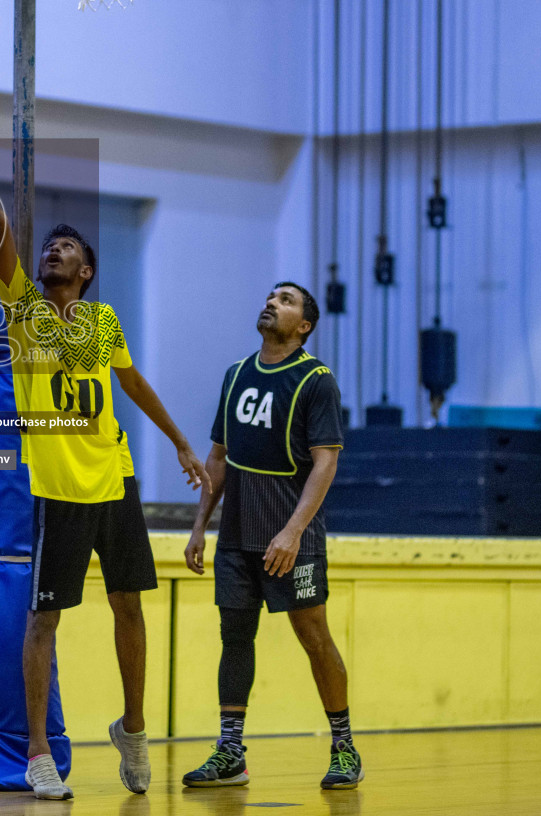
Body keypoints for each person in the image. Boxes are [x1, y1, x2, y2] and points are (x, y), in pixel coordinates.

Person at [0, 98, 207, 800]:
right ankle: (36, 756)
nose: (54, 251)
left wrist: (179, 443)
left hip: (113, 478)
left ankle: (135, 730)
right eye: (49, 247)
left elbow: (134, 384)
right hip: (58, 491)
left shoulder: (104, 321)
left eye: (68, 249)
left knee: (129, 608)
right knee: (42, 619)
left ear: (86, 273)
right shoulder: (21, 311)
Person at [181, 282, 360, 791]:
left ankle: (345, 747)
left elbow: (326, 462)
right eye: (270, 296)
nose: (271, 302)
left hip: (290, 538)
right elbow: (217, 457)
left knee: (314, 638)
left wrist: (294, 531)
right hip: (237, 535)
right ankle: (231, 752)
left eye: (285, 300)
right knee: (235, 639)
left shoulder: (316, 381)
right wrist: (199, 526)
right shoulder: (236, 374)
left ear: (304, 326)